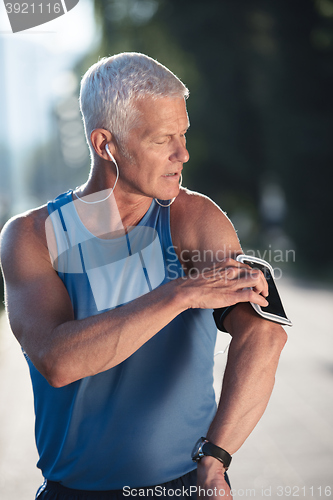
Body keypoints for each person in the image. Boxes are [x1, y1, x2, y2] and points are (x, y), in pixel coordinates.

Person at [0, 53, 287, 499]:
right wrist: (181, 292)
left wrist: (217, 459)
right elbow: (58, 362)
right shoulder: (32, 236)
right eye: (163, 139)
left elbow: (265, 335)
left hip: (182, 487)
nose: (183, 153)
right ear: (105, 144)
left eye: (184, 134)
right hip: (70, 492)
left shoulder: (195, 219)